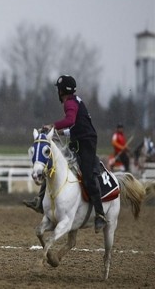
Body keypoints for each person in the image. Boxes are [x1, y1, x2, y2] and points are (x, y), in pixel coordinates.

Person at [23, 75, 107, 233]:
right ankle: (39, 200)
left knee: (88, 176)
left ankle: (100, 214)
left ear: (62, 91)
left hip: (87, 143)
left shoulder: (70, 103)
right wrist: (58, 133)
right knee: (53, 166)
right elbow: (73, 126)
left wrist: (52, 126)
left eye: (58, 89)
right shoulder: (74, 101)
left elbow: (70, 120)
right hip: (78, 141)